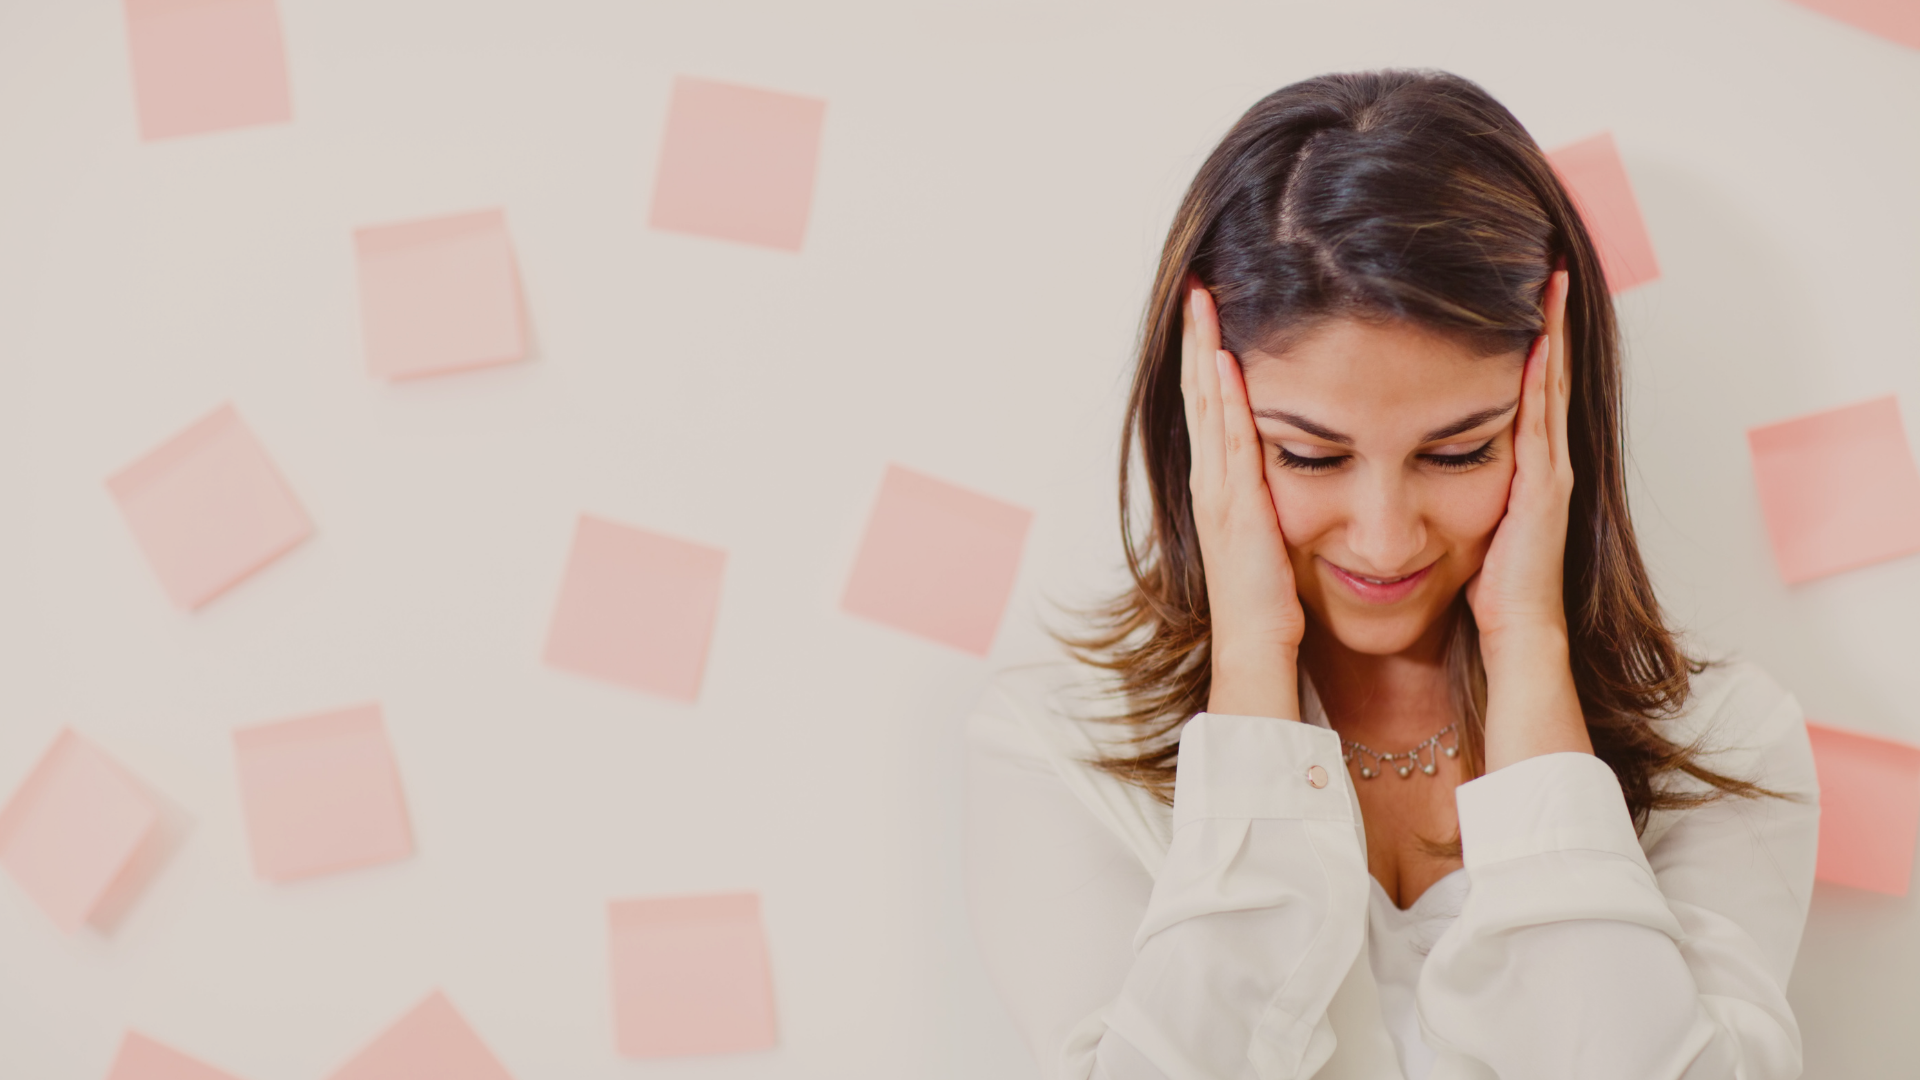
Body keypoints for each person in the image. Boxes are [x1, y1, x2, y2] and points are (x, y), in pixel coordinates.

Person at [964, 70, 1820, 1080]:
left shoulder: (1720, 747)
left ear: (1551, 418)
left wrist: (1533, 666)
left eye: (1457, 454)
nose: (1383, 539)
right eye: (1311, 456)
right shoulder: (1059, 747)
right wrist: (1250, 675)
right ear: (1206, 425)